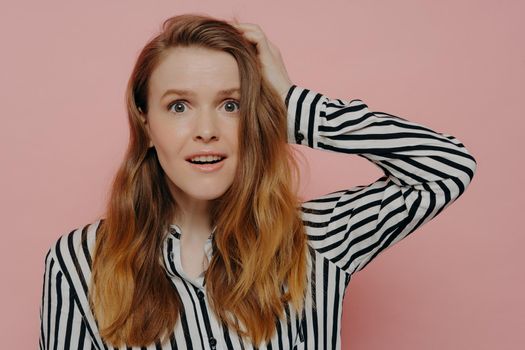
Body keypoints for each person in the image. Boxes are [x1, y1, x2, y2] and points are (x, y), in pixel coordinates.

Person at [38, 14, 477, 350]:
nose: (206, 129)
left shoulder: (319, 240)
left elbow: (446, 164)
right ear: (147, 125)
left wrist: (290, 102)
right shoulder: (80, 262)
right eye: (178, 107)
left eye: (231, 105)